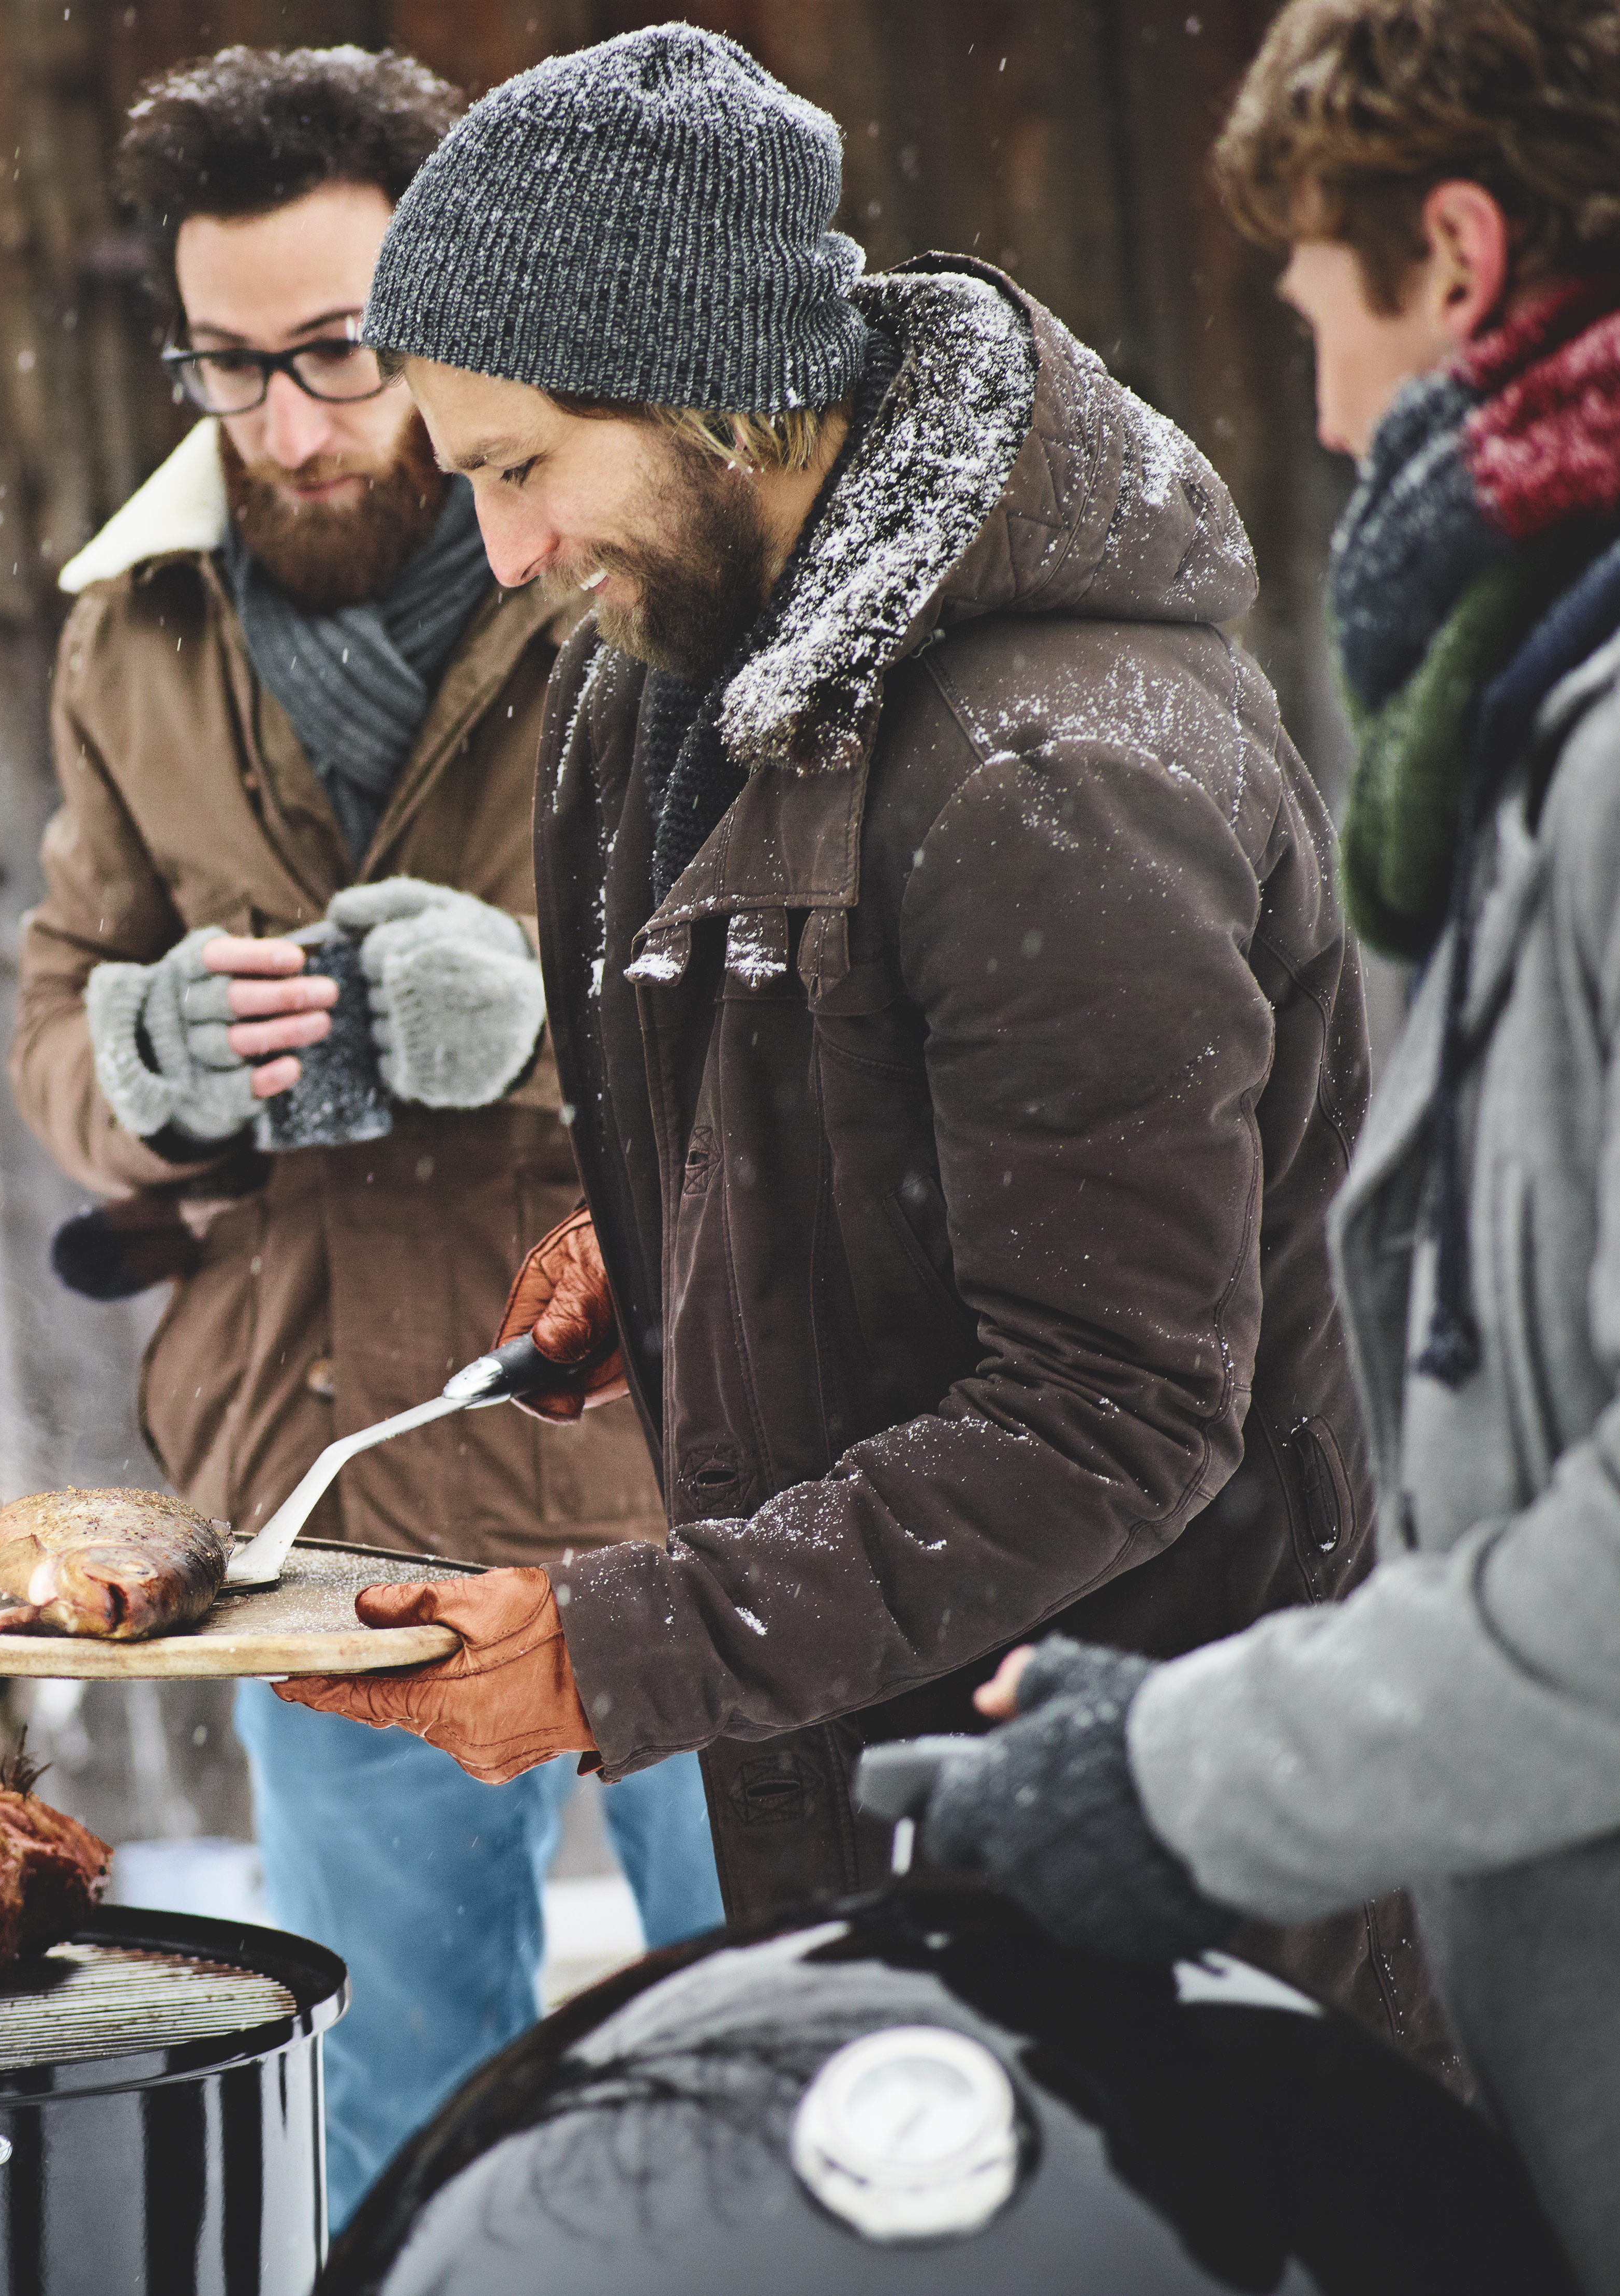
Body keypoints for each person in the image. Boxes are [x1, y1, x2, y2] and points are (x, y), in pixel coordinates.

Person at [271, 22, 1447, 2068]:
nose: (515, 557)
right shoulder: (661, 682)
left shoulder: (1057, 772)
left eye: (526, 468)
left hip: (1142, 1863)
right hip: (867, 1817)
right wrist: (679, 1267)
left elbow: (1116, 1410)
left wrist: (617, 1648)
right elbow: (848, 1133)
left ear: (719, 403)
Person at [912, 5, 1620, 2284]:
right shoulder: (1543, 723)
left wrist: (1187, 1780)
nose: (1320, 413)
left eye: (1321, 313)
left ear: (1455, 246)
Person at [10, 44, 719, 2229]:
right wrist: (136, 1068)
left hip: (679, 1448)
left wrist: (530, 1014)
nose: (287, 426)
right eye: (230, 368)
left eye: (337, 354)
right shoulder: (135, 625)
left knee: (785, 2032)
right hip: (328, 1478)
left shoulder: (632, 550)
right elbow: (59, 989)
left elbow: (814, 985)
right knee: (397, 2109)